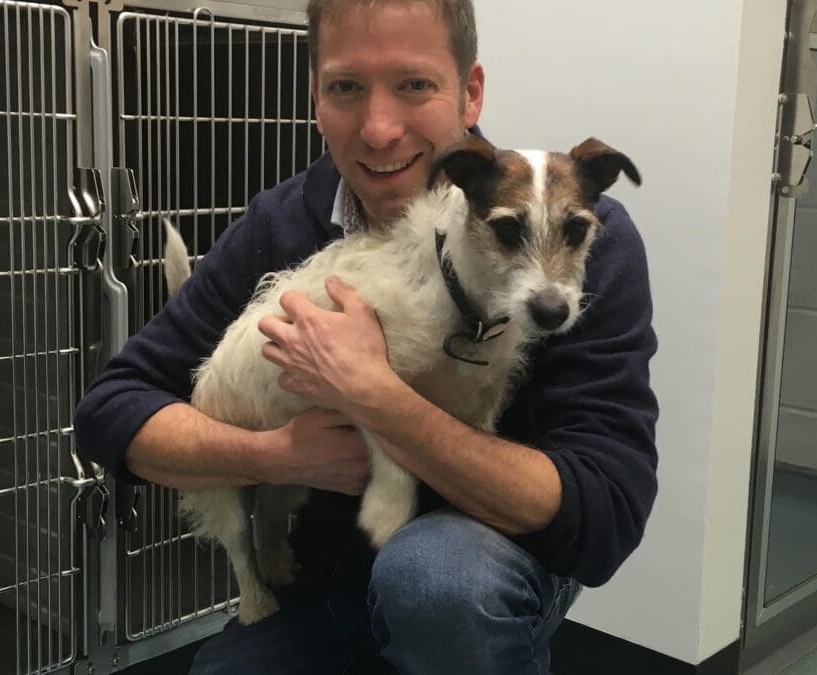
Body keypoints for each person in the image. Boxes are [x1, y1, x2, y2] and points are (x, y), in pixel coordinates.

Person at [72, 0, 660, 672]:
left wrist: (376, 397)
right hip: (329, 585)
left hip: (482, 568)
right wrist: (277, 456)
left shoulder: (584, 244)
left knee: (437, 580)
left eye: (414, 84)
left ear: (469, 93)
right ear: (316, 100)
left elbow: (605, 513)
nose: (379, 131)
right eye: (346, 86)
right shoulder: (279, 223)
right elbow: (111, 411)